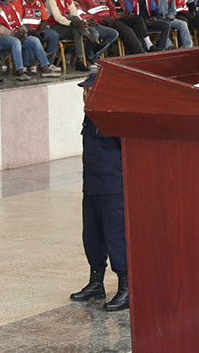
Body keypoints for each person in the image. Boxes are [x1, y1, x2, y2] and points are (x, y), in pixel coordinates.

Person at [70, 72, 128, 312]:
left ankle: (126, 286)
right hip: (91, 186)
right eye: (83, 90)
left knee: (116, 237)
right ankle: (96, 282)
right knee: (91, 236)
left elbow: (125, 153)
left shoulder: (113, 119)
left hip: (112, 188)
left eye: (89, 90)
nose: (84, 94)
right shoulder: (89, 116)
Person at [0, 0, 60, 80]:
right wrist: (12, 34)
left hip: (15, 35)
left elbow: (19, 21)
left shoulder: (9, 5)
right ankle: (19, 71)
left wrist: (23, 32)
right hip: (0, 38)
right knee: (15, 42)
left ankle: (45, 67)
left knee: (34, 40)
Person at [45, 0, 117, 71]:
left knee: (77, 30)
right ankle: (93, 43)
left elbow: (75, 15)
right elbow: (57, 18)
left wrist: (83, 22)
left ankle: (80, 61)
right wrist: (73, 23)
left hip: (67, 26)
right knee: (76, 23)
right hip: (54, 26)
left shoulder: (68, 0)